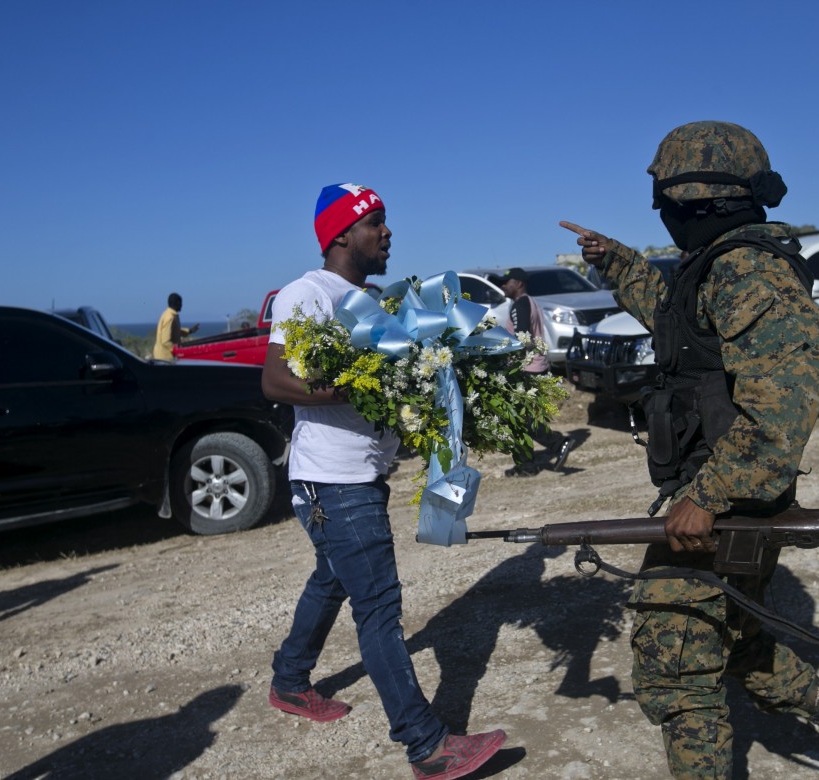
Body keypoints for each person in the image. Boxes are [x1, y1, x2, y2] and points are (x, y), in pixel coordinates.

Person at [561, 122, 819, 779]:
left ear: (693, 202)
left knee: (674, 660)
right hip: (721, 498)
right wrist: (614, 259)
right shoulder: (715, 264)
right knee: (736, 643)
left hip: (729, 501)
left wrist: (706, 496)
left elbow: (782, 411)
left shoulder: (747, 268)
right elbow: (676, 318)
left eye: (667, 203)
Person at [260, 183, 507, 780]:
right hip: (333, 481)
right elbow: (273, 382)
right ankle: (427, 746)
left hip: (353, 477)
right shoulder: (308, 294)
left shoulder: (371, 299)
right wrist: (363, 388)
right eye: (377, 223)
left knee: (332, 578)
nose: (387, 233)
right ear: (342, 234)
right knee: (379, 607)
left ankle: (290, 682)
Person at [494, 267, 576, 477]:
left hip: (525, 367)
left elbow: (522, 337)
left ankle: (558, 444)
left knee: (521, 420)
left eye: (507, 281)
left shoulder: (520, 304)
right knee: (521, 420)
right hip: (534, 365)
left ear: (519, 283)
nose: (503, 285)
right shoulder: (529, 302)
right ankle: (526, 465)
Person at [153, 293, 199, 361]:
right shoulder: (170, 317)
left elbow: (174, 331)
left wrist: (190, 331)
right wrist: (178, 351)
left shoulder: (170, 314)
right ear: (176, 303)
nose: (182, 305)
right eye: (180, 303)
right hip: (165, 358)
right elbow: (166, 341)